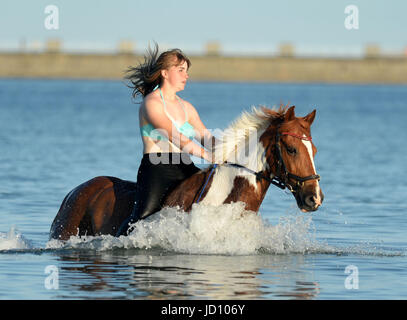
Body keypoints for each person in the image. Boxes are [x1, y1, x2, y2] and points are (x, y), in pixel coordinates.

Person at [116, 44, 215, 236]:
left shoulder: (187, 107)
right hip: (157, 169)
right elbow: (173, 135)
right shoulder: (151, 103)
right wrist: (206, 155)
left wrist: (228, 150)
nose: (186, 75)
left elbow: (206, 136)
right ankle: (119, 243)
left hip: (185, 165)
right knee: (140, 222)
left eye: (186, 71)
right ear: (164, 73)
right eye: (180, 70)